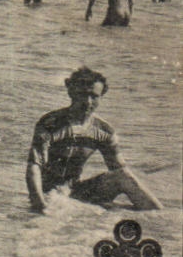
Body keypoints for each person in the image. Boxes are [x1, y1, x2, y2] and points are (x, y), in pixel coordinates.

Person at [26, 66, 162, 213]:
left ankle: (159, 217)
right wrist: (40, 206)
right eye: (82, 94)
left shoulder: (104, 131)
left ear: (101, 96)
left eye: (94, 96)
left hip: (77, 191)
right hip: (50, 194)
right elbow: (34, 167)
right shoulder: (51, 124)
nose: (88, 102)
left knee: (124, 176)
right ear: (71, 92)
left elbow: (118, 169)